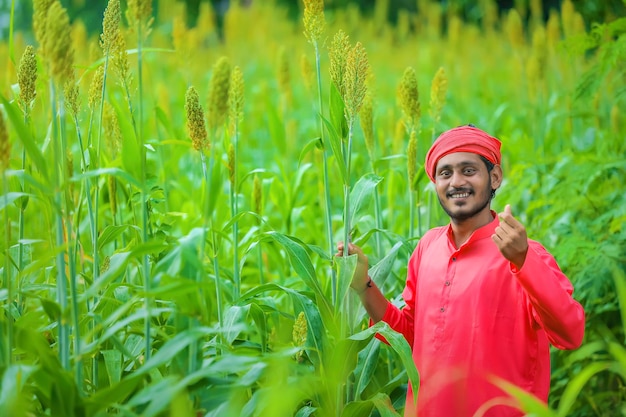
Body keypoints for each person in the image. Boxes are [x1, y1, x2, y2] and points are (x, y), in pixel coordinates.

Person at [337, 125, 585, 417]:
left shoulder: (525, 253)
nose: (456, 182)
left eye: (469, 171)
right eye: (445, 173)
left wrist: (523, 260)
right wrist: (364, 284)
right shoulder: (427, 247)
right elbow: (409, 338)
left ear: (494, 178)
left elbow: (570, 334)